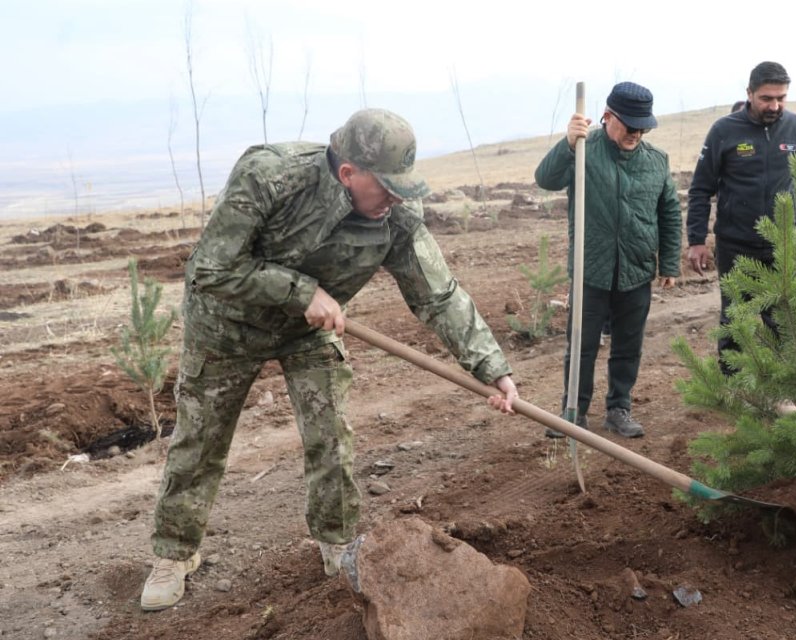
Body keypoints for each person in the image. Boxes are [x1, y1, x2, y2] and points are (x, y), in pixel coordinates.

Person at [139, 109, 520, 611]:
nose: (397, 198)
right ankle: (174, 553)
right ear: (347, 174)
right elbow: (211, 267)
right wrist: (300, 290)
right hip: (228, 324)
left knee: (331, 436)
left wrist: (491, 368)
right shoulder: (271, 176)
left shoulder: (398, 215)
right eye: (386, 187)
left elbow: (439, 296)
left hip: (309, 331)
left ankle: (337, 543)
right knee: (200, 440)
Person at [534, 82, 682, 439]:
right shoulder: (585, 150)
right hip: (591, 269)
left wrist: (670, 264)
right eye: (629, 125)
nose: (636, 133)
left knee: (628, 345)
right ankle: (574, 412)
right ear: (607, 117)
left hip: (636, 268)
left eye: (642, 126)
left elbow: (670, 212)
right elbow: (545, 179)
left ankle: (619, 408)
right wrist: (568, 144)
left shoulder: (656, 161)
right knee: (581, 345)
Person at [686, 61, 796, 391]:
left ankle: (780, 385)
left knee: (782, 318)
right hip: (736, 242)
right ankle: (732, 388)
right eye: (766, 98)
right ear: (749, 94)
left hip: (784, 244)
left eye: (781, 98)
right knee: (734, 316)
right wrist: (697, 239)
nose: (774, 106)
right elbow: (702, 187)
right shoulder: (724, 131)